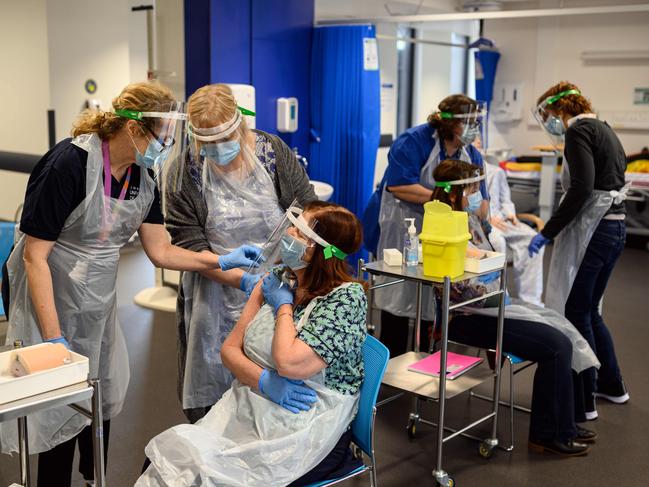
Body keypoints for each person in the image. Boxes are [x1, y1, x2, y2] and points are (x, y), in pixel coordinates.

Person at [0, 81, 261, 487]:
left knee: (98, 391)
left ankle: (93, 478)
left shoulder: (144, 175)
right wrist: (52, 338)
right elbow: (36, 256)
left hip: (97, 298)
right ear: (135, 129)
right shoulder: (68, 165)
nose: (166, 147)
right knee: (56, 396)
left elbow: (161, 251)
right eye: (164, 137)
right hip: (48, 292)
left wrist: (220, 260)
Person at [137, 201, 368, 486]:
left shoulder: (345, 300)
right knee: (168, 464)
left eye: (299, 231)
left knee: (209, 478)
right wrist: (262, 381)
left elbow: (288, 363)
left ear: (317, 250)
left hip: (311, 425)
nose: (289, 233)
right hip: (253, 406)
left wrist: (284, 308)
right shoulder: (278, 280)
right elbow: (229, 351)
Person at [164, 84, 317, 423]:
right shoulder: (185, 173)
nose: (218, 149)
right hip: (214, 293)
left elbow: (307, 209)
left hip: (283, 285)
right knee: (217, 391)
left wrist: (290, 268)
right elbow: (190, 246)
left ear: (240, 125)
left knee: (276, 374)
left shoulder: (272, 153)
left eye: (224, 139)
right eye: (208, 144)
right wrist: (245, 281)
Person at [431, 159, 599, 456]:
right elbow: (459, 290)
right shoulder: (440, 228)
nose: (479, 194)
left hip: (494, 307)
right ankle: (547, 436)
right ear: (457, 192)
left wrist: (484, 222)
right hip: (469, 317)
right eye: (472, 188)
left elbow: (489, 265)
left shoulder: (468, 221)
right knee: (557, 345)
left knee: (564, 329)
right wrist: (490, 272)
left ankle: (566, 423)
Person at [528, 82, 630, 419]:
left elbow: (582, 188)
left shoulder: (578, 132)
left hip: (597, 230)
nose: (551, 124)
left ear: (559, 111)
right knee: (589, 309)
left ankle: (584, 400)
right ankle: (612, 385)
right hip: (615, 227)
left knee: (576, 311)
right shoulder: (603, 128)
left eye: (548, 117)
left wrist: (549, 231)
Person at [362, 94, 489, 357]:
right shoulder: (415, 141)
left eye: (477, 121)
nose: (474, 126)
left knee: (434, 298)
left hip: (443, 233)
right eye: (469, 121)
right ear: (450, 122)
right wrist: (446, 198)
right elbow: (399, 185)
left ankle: (425, 361)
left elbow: (481, 201)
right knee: (399, 293)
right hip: (403, 226)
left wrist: (475, 204)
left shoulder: (472, 154)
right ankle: (389, 365)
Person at [486, 162, 544, 306]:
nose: (477, 141)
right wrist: (487, 218)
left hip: (503, 220)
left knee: (533, 238)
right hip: (485, 222)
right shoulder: (467, 171)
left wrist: (511, 214)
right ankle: (500, 299)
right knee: (497, 241)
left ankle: (531, 300)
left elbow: (505, 199)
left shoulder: (497, 171)